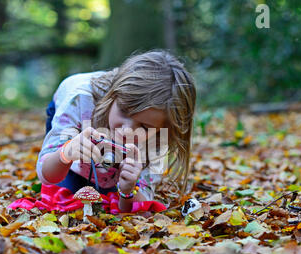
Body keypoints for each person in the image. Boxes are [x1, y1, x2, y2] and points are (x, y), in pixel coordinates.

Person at [37, 49, 197, 213]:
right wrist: (65, 153)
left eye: (144, 127)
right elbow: (47, 176)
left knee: (107, 193)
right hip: (78, 112)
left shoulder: (159, 136)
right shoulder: (79, 98)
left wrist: (128, 191)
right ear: (113, 96)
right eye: (124, 112)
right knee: (65, 195)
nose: (127, 130)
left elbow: (141, 202)